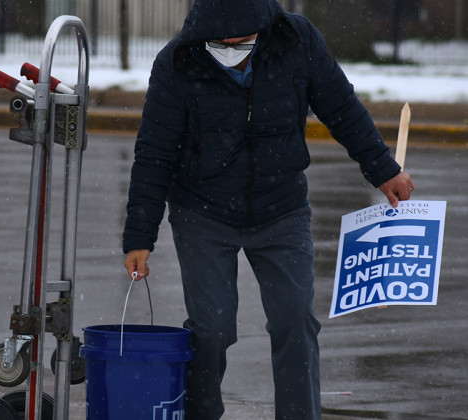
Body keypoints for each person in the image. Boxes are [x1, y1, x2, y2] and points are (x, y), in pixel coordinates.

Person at [122, 0, 415, 419]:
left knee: (295, 323)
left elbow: (342, 108)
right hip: (203, 212)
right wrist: (139, 236)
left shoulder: (298, 40)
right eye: (220, 42)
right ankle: (201, 412)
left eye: (240, 40)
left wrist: (384, 170)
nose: (230, 47)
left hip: (282, 208)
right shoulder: (177, 62)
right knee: (212, 330)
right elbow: (154, 153)